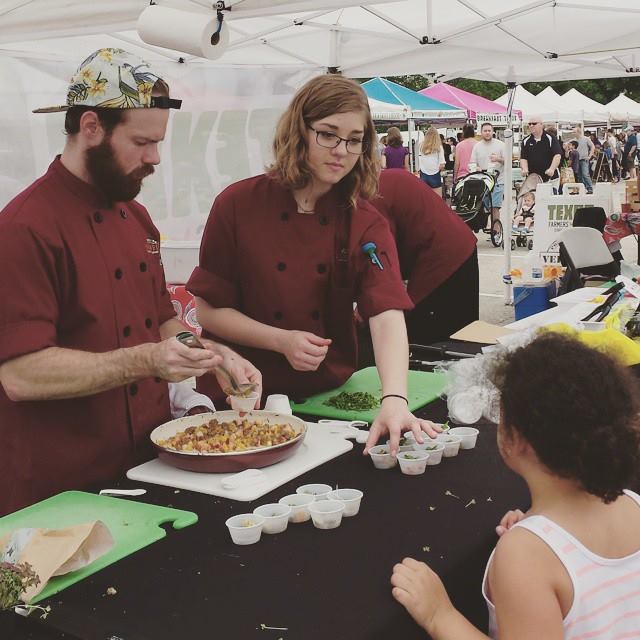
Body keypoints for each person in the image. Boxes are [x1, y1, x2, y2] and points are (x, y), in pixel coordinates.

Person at [0, 49, 260, 516]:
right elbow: (20, 375)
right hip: (62, 491)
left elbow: (161, 319)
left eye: (158, 142)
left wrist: (210, 356)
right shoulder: (24, 229)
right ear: (91, 128)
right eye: (142, 142)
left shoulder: (136, 218)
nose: (155, 158)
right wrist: (144, 360)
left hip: (151, 465)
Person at [187, 75, 440, 455]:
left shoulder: (364, 221)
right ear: (298, 132)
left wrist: (395, 399)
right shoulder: (237, 205)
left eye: (354, 140)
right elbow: (209, 309)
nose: (341, 150)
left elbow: (386, 313)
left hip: (324, 401)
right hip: (238, 400)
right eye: (328, 134)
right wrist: (280, 340)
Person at [391, 332, 640, 639]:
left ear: (516, 438)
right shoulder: (632, 503)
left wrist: (439, 615)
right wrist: (539, 534)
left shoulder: (523, 556)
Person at [372, 169, 479, 346]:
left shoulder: (371, 197)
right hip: (459, 246)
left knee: (431, 342)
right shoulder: (386, 179)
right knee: (462, 338)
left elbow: (382, 263)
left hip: (442, 259)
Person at [469, 122, 505, 222]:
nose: (487, 133)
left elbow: (508, 161)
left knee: (495, 207)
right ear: (481, 132)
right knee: (485, 207)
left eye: (489, 130)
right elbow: (472, 163)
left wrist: (498, 159)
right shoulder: (477, 146)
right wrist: (476, 168)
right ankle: (489, 225)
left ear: (493, 132)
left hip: (498, 181)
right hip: (482, 181)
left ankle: (496, 232)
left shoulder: (501, 145)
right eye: (485, 131)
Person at [520, 116, 562, 190]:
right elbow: (523, 157)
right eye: (529, 124)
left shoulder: (551, 138)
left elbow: (557, 155)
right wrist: (525, 169)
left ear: (541, 125)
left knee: (550, 200)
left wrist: (552, 169)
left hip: (550, 178)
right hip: (533, 178)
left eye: (534, 123)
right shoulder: (526, 140)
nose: (531, 126)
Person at [418, 126, 445, 197]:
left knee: (425, 198)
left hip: (423, 174)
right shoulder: (439, 147)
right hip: (435, 174)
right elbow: (442, 165)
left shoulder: (421, 145)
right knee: (437, 199)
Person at [572, 125, 594, 194]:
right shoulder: (574, 140)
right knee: (579, 176)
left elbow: (592, 146)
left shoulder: (586, 139)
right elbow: (567, 144)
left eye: (574, 132)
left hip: (584, 159)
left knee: (585, 174)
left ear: (578, 132)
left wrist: (590, 156)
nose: (573, 133)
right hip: (577, 160)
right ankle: (581, 189)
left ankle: (590, 188)